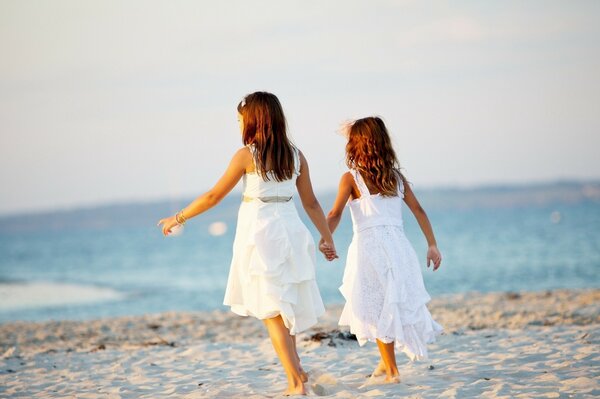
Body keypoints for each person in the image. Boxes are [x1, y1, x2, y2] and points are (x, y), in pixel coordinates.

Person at [158, 91, 337, 396]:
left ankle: (296, 383)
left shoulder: (247, 155)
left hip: (261, 233)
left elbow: (214, 196)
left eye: (240, 118)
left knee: (272, 312)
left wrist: (178, 217)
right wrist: (327, 237)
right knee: (283, 307)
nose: (239, 123)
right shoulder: (296, 155)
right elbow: (311, 203)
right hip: (290, 230)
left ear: (254, 119)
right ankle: (299, 374)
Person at [322, 116, 443, 384]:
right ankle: (384, 363)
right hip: (399, 248)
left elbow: (334, 213)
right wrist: (432, 245)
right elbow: (419, 211)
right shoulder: (396, 178)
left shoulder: (351, 178)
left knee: (376, 307)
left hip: (370, 249)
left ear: (356, 145)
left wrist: (325, 236)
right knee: (388, 303)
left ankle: (392, 371)